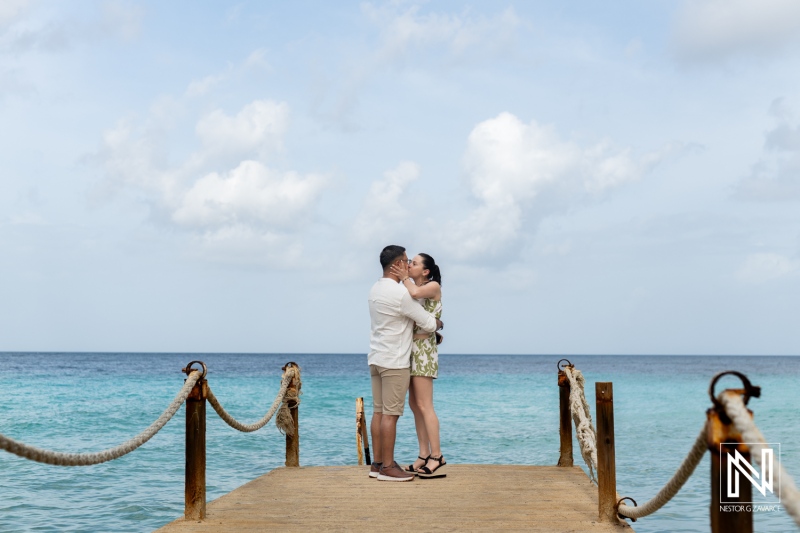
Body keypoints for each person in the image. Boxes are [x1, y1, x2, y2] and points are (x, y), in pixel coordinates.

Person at [367, 245, 443, 482]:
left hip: (379, 356)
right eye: (406, 261)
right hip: (397, 358)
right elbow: (428, 323)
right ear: (397, 265)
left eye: (413, 262)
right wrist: (438, 326)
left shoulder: (375, 289)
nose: (409, 264)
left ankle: (379, 464)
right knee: (393, 413)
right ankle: (388, 467)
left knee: (382, 411)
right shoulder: (401, 293)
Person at [392, 253, 447, 479]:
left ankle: (437, 456)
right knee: (415, 405)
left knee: (425, 405)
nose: (409, 265)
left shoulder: (432, 286)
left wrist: (404, 277)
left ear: (425, 271)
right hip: (410, 351)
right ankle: (423, 454)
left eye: (413, 263)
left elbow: (415, 294)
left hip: (423, 352)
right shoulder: (411, 287)